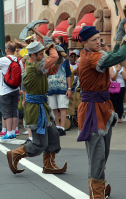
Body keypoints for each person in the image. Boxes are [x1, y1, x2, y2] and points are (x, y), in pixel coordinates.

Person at [76, 18, 126, 198]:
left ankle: (100, 189)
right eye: (94, 39)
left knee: (103, 154)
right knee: (97, 157)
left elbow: (113, 55)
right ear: (85, 42)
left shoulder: (96, 55)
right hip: (92, 110)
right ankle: (96, 194)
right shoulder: (91, 57)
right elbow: (117, 57)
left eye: (99, 38)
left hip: (103, 107)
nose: (98, 42)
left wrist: (119, 35)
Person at [6, 37, 67, 175]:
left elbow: (54, 69)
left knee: (53, 137)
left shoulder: (37, 65)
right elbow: (53, 56)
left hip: (42, 106)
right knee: (39, 143)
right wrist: (51, 46)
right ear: (32, 55)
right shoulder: (35, 66)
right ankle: (15, 154)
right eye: (40, 54)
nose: (42, 56)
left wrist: (59, 59)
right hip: (35, 109)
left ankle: (49, 165)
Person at [0, 43, 24, 142]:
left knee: (7, 112)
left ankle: (8, 133)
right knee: (14, 112)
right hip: (16, 90)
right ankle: (13, 132)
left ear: (7, 49)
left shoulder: (3, 60)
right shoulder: (19, 61)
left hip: (5, 90)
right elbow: (22, 75)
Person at [48, 46, 72, 136]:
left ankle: (62, 127)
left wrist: (69, 89)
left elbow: (68, 75)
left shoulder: (65, 61)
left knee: (62, 108)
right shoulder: (49, 61)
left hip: (62, 88)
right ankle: (57, 126)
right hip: (51, 88)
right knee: (53, 108)